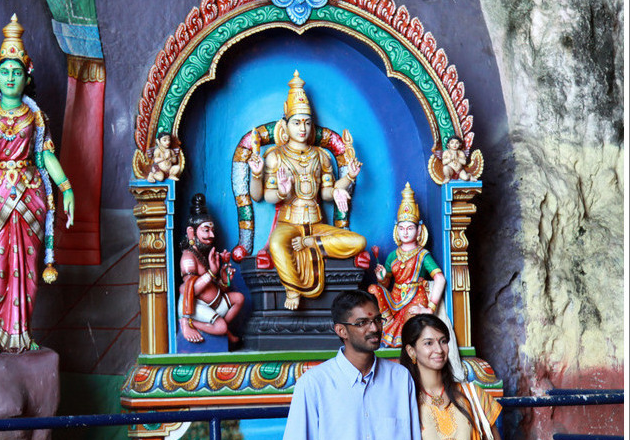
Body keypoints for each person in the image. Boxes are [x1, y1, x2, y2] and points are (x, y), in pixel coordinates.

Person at [0, 14, 75, 354]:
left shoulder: (35, 116)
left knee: (28, 267)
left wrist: (66, 187)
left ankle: (22, 332)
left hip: (31, 194)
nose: (12, 77)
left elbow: (47, 157)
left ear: (27, 77)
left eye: (18, 72)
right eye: (6, 71)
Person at [247, 71, 366, 310]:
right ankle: (292, 289)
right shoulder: (275, 156)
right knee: (277, 245)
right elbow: (260, 196)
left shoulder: (321, 156)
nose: (302, 128)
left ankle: (313, 243)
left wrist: (348, 180)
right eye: (297, 122)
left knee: (358, 241)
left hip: (315, 224)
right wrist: (277, 188)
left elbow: (325, 193)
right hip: (287, 224)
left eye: (307, 122)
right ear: (285, 124)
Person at [281, 290, 422, 440]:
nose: (375, 328)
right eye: (362, 323)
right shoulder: (313, 384)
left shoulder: (400, 378)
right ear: (341, 331)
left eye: (377, 319)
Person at [400, 314, 505, 440]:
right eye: (428, 343)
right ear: (411, 351)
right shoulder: (403, 400)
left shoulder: (472, 394)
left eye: (443, 341)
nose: (439, 349)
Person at [369, 183, 446, 347]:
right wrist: (381, 277)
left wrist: (430, 309)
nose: (405, 232)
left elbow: (440, 278)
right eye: (402, 228)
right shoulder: (393, 255)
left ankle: (402, 339)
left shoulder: (422, 255)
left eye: (410, 228)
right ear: (396, 230)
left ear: (419, 231)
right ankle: (387, 322)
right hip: (395, 296)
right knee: (373, 290)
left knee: (410, 321)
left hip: (415, 297)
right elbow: (386, 284)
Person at [178, 193, 244, 344]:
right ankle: (190, 324)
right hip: (196, 307)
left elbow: (220, 288)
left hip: (213, 305)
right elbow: (189, 290)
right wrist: (211, 272)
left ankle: (220, 331)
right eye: (206, 230)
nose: (212, 235)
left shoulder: (204, 254)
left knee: (239, 298)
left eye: (212, 230)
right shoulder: (188, 257)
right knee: (220, 326)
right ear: (191, 232)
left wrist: (224, 279)